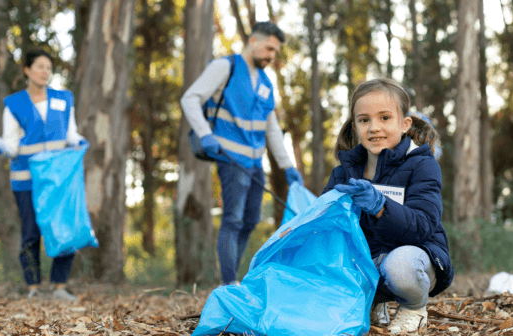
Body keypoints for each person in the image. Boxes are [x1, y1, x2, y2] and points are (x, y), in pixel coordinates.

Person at [323, 78, 453, 334]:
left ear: (405, 124)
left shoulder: (422, 165)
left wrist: (381, 206)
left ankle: (413, 308)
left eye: (384, 118)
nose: (374, 128)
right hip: (367, 262)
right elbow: (328, 228)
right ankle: (373, 304)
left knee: (399, 266)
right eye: (364, 120)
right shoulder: (343, 173)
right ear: (355, 126)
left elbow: (424, 226)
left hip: (416, 259)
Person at [181, 22, 303, 286]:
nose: (272, 55)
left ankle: (233, 281)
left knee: (250, 221)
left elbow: (272, 129)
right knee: (233, 219)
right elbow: (189, 98)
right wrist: (205, 134)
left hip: (255, 162)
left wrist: (287, 166)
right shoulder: (225, 67)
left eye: (276, 51)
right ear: (253, 41)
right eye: (269, 48)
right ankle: (228, 284)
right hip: (230, 158)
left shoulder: (266, 84)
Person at [0, 49, 86, 300]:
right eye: (39, 66)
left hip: (58, 179)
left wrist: (81, 141)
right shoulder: (14, 104)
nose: (45, 71)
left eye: (48, 68)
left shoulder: (64, 99)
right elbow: (11, 144)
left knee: (62, 229)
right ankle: (33, 288)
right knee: (30, 232)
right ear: (27, 70)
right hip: (26, 179)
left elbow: (71, 134)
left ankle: (59, 286)